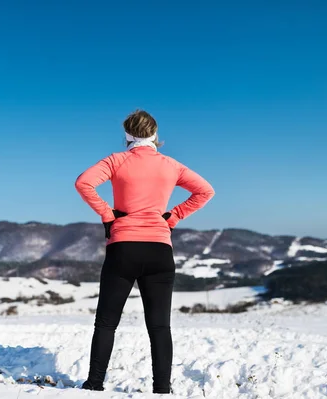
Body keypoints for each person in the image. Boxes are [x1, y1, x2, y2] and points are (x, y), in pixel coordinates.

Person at [74, 110, 215, 394]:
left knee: (106, 323)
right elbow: (205, 191)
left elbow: (83, 183)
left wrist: (108, 215)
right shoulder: (170, 165)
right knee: (160, 327)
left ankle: (94, 384)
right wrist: (172, 217)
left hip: (123, 248)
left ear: (127, 135)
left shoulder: (116, 160)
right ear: (155, 135)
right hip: (159, 251)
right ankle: (162, 389)